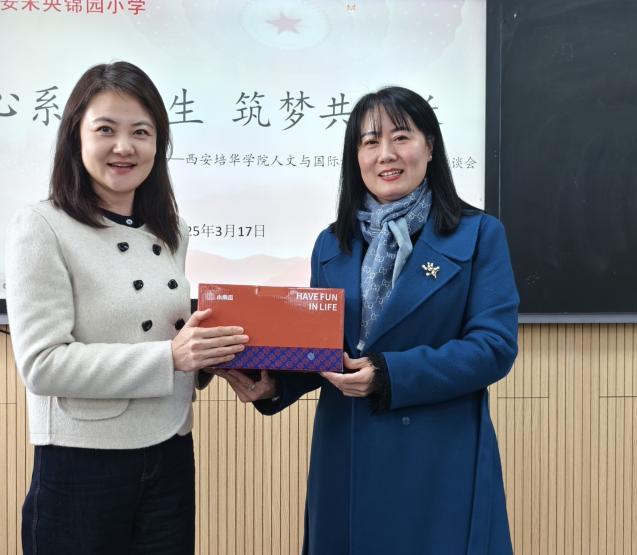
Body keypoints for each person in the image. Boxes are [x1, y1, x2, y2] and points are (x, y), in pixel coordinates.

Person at [215, 86, 520, 554]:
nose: (386, 154)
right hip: (347, 452)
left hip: (439, 456)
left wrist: (388, 375)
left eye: (401, 137)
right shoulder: (331, 244)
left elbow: (493, 349)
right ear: (355, 156)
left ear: (430, 146)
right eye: (370, 141)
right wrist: (273, 385)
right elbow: (325, 351)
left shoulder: (478, 234)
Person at [5, 61, 249, 554]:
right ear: (75, 136)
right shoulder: (42, 225)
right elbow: (42, 364)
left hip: (170, 449)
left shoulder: (170, 230)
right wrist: (171, 358)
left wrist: (210, 360)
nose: (124, 146)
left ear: (158, 144)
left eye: (141, 132)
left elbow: (163, 335)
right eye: (105, 130)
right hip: (83, 462)